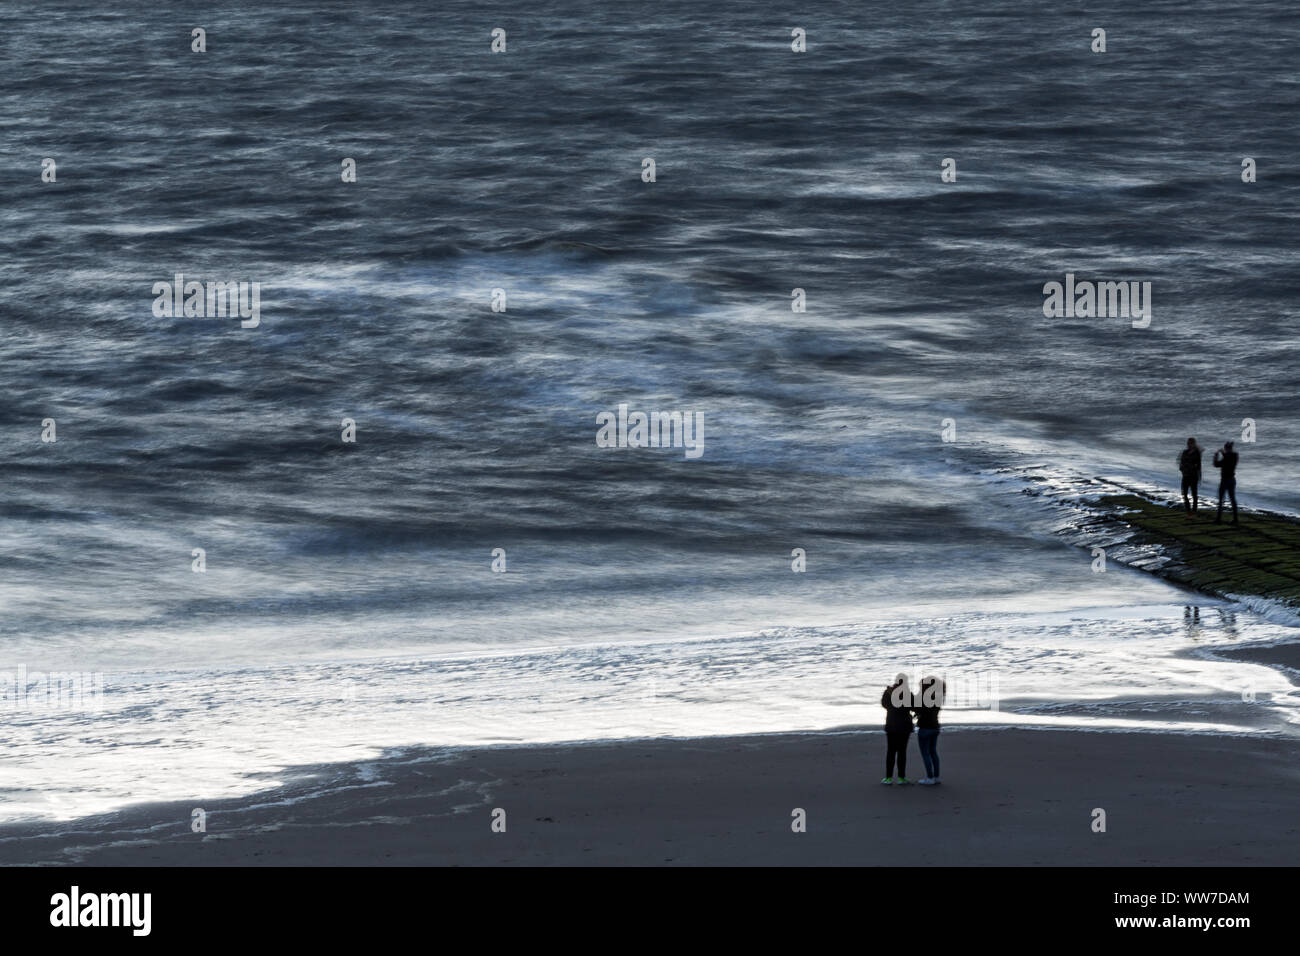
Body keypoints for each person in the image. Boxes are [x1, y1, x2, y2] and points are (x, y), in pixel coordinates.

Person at [880, 674, 914, 785]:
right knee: (902, 752)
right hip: (904, 727)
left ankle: (888, 778)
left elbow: (884, 704)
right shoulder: (908, 694)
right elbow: (914, 707)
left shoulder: (888, 692)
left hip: (891, 726)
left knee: (891, 751)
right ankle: (901, 778)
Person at [915, 676, 945, 785]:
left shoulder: (923, 698)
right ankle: (936, 777)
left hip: (925, 729)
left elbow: (915, 708)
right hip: (935, 727)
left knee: (926, 754)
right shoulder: (938, 697)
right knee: (933, 752)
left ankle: (930, 777)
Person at [1213, 440, 1239, 524]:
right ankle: (1235, 519)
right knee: (1232, 499)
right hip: (1232, 479)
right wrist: (1222, 454)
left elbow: (1216, 464)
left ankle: (1218, 519)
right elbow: (1227, 460)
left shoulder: (1228, 456)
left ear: (1226, 448)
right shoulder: (1235, 456)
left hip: (1225, 480)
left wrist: (1216, 455)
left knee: (1221, 500)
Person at [1177, 438, 1202, 516]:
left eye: (1190, 443)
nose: (1188, 445)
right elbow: (1181, 463)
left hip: (1193, 476)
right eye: (1188, 443)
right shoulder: (1185, 452)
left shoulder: (1196, 453)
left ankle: (1194, 512)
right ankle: (1188, 512)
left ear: (1193, 444)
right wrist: (1182, 470)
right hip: (1185, 476)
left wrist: (1199, 476)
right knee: (1184, 494)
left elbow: (1198, 466)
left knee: (1194, 494)